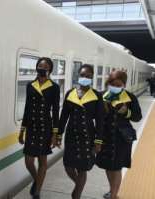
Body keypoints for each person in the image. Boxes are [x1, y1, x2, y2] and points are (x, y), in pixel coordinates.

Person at [56, 64, 104, 199]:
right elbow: (64, 116)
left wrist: (98, 141)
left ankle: (76, 194)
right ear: (78, 75)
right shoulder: (70, 93)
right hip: (71, 135)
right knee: (68, 166)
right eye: (83, 75)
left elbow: (100, 121)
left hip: (87, 136)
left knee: (82, 168)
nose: (85, 78)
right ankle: (79, 185)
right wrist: (58, 134)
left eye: (88, 76)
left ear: (92, 78)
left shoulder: (96, 96)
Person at [18, 57, 60, 199]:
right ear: (36, 68)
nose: (42, 68)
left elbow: (55, 111)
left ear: (49, 70)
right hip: (32, 127)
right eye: (40, 66)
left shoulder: (54, 87)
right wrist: (22, 130)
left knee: (42, 161)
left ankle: (37, 192)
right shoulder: (30, 85)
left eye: (45, 66)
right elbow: (27, 108)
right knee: (28, 161)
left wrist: (55, 133)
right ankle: (37, 180)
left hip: (45, 127)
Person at [96, 70, 142, 199]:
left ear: (124, 85)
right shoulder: (102, 96)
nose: (115, 87)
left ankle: (114, 195)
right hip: (105, 138)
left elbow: (138, 117)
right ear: (108, 83)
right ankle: (112, 191)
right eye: (113, 84)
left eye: (119, 85)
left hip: (122, 139)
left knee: (116, 168)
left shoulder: (130, 97)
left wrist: (126, 112)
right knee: (108, 166)